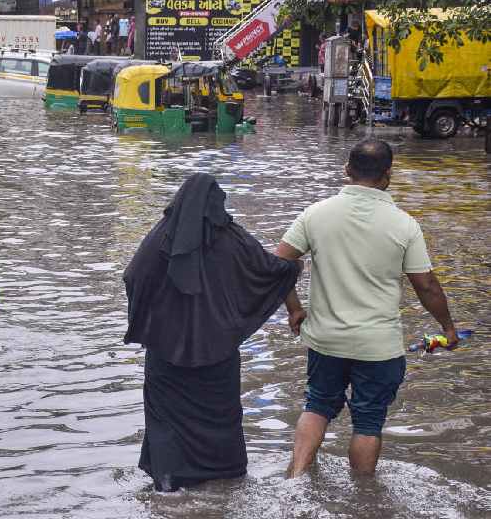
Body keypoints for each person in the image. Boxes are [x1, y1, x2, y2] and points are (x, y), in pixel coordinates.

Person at [276, 138, 458, 477]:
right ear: (388, 175)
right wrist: (447, 328)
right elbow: (426, 285)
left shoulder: (315, 214)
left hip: (326, 339)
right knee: (369, 420)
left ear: (347, 170)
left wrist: (294, 308)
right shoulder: (404, 224)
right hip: (378, 346)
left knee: (316, 406)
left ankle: (295, 478)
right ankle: (363, 498)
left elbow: (275, 266)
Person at [123, 174, 302, 492]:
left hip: (166, 351)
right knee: (220, 418)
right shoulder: (233, 239)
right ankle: (226, 481)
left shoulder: (159, 238)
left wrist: (153, 321)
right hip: (218, 350)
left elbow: (133, 277)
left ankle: (167, 483)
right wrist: (293, 273)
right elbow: (267, 270)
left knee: (167, 420)